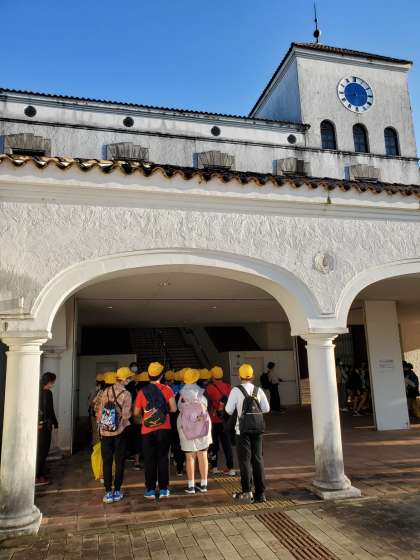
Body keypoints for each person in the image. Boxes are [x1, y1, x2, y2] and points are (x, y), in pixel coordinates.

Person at [225, 363, 270, 503]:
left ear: (240, 376)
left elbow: (228, 410)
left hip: (242, 431)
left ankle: (247, 492)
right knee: (258, 459)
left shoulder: (236, 390)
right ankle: (261, 494)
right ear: (253, 376)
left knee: (245, 461)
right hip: (258, 429)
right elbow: (266, 409)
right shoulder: (258, 390)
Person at [134, 362, 176, 500]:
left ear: (148, 376)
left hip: (147, 430)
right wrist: (163, 411)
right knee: (163, 458)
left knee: (149, 460)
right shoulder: (167, 389)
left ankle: (150, 490)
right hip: (164, 428)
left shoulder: (142, 392)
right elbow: (174, 409)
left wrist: (146, 414)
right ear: (161, 375)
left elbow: (136, 412)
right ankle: (163, 489)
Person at [97, 368, 133, 504]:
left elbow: (100, 411)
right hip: (120, 432)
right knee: (119, 461)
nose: (130, 380)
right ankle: (117, 491)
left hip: (105, 431)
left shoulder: (106, 391)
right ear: (124, 379)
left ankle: (108, 492)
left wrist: (101, 425)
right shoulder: (127, 394)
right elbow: (125, 416)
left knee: (107, 461)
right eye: (129, 378)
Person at [177, 368, 212, 494]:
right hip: (202, 425)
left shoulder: (181, 394)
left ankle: (191, 486)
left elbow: (179, 408)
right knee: (203, 455)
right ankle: (204, 485)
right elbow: (207, 407)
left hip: (186, 427)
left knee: (190, 456)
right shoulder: (202, 392)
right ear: (196, 379)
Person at [206, 366, 235, 475]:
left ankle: (214, 467)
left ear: (212, 376)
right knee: (227, 444)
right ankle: (231, 468)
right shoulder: (228, 386)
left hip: (213, 420)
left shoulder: (209, 388)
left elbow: (207, 404)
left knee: (213, 444)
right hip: (226, 420)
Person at [36, 372, 59, 486]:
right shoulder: (44, 393)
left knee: (43, 451)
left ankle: (40, 472)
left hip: (43, 425)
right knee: (42, 451)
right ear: (49, 381)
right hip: (43, 426)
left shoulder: (42, 392)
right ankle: (37, 477)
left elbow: (48, 410)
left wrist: (55, 422)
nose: (53, 384)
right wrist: (41, 422)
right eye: (53, 382)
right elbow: (45, 410)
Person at [89, 373, 105, 446]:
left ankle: (96, 446)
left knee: (95, 431)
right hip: (102, 414)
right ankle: (98, 445)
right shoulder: (105, 390)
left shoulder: (95, 389)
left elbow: (91, 402)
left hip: (95, 413)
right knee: (100, 431)